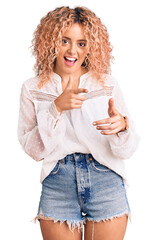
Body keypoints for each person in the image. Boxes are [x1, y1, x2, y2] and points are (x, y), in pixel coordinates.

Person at [17, 6, 139, 240]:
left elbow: (127, 149)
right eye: (65, 40)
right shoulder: (33, 88)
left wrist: (122, 126)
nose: (72, 50)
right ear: (51, 41)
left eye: (82, 43)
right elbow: (33, 151)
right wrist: (56, 108)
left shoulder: (105, 84)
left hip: (105, 179)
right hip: (57, 182)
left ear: (91, 47)